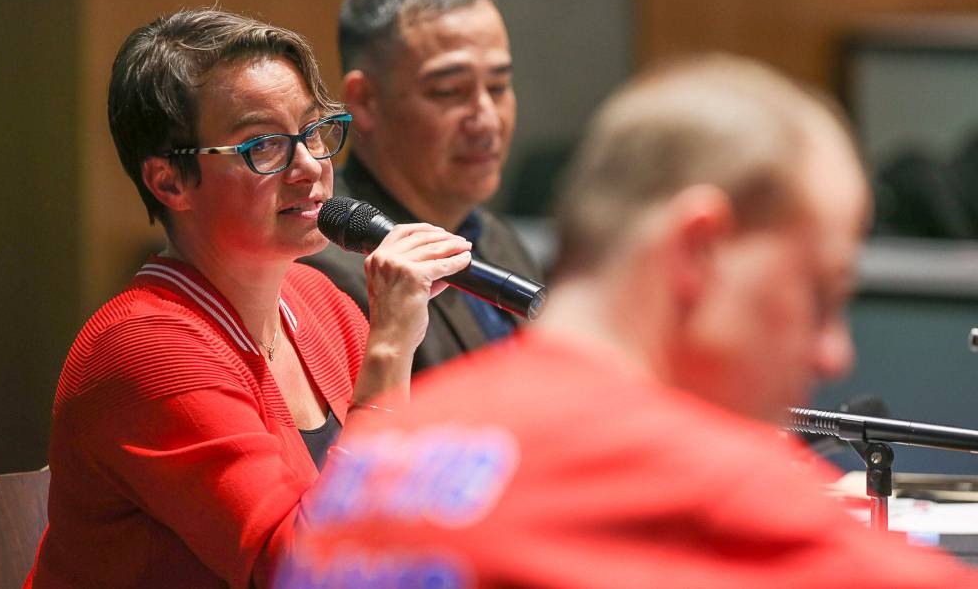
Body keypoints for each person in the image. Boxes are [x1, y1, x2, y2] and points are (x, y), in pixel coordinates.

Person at [284, 55, 977, 588]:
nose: (834, 354)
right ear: (698, 250)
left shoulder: (376, 460)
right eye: (819, 296)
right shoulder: (694, 485)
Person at [26, 9, 473, 588]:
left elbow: (399, 522)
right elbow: (302, 570)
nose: (310, 166)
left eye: (314, 132)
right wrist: (389, 346)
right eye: (264, 146)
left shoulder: (318, 302)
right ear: (169, 182)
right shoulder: (145, 350)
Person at [300, 0, 542, 374]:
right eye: (449, 91)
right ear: (365, 101)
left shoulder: (493, 234)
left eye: (499, 87)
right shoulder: (328, 270)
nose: (486, 119)